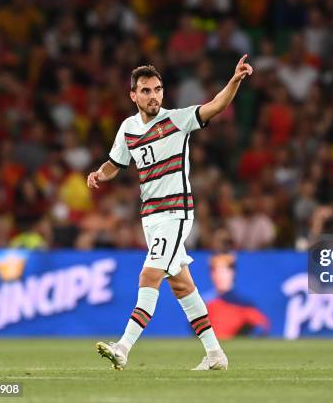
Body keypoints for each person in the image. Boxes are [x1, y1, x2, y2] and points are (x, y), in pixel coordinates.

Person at [88, 55, 253, 371]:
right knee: (181, 286)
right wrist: (99, 173)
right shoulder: (128, 129)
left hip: (175, 213)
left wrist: (234, 80)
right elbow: (116, 163)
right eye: (146, 91)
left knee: (148, 275)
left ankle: (122, 348)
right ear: (133, 95)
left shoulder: (176, 120)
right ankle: (216, 354)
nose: (154, 96)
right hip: (150, 217)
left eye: (158, 90)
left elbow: (215, 106)